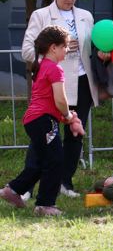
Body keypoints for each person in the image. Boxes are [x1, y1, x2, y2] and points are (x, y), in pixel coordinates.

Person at [21, 0, 104, 198]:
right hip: (54, 83)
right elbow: (27, 50)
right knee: (45, 135)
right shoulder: (41, 15)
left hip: (83, 81)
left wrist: (103, 53)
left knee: (75, 133)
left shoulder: (86, 16)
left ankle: (64, 182)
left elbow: (94, 47)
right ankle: (25, 186)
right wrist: (55, 55)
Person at [1, 26, 83, 216]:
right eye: (65, 46)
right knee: (55, 161)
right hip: (42, 121)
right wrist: (70, 117)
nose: (67, 50)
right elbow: (60, 100)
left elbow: (51, 102)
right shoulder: (54, 69)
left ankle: (12, 190)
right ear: (53, 48)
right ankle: (45, 205)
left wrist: (65, 117)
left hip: (37, 120)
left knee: (42, 160)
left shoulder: (43, 65)